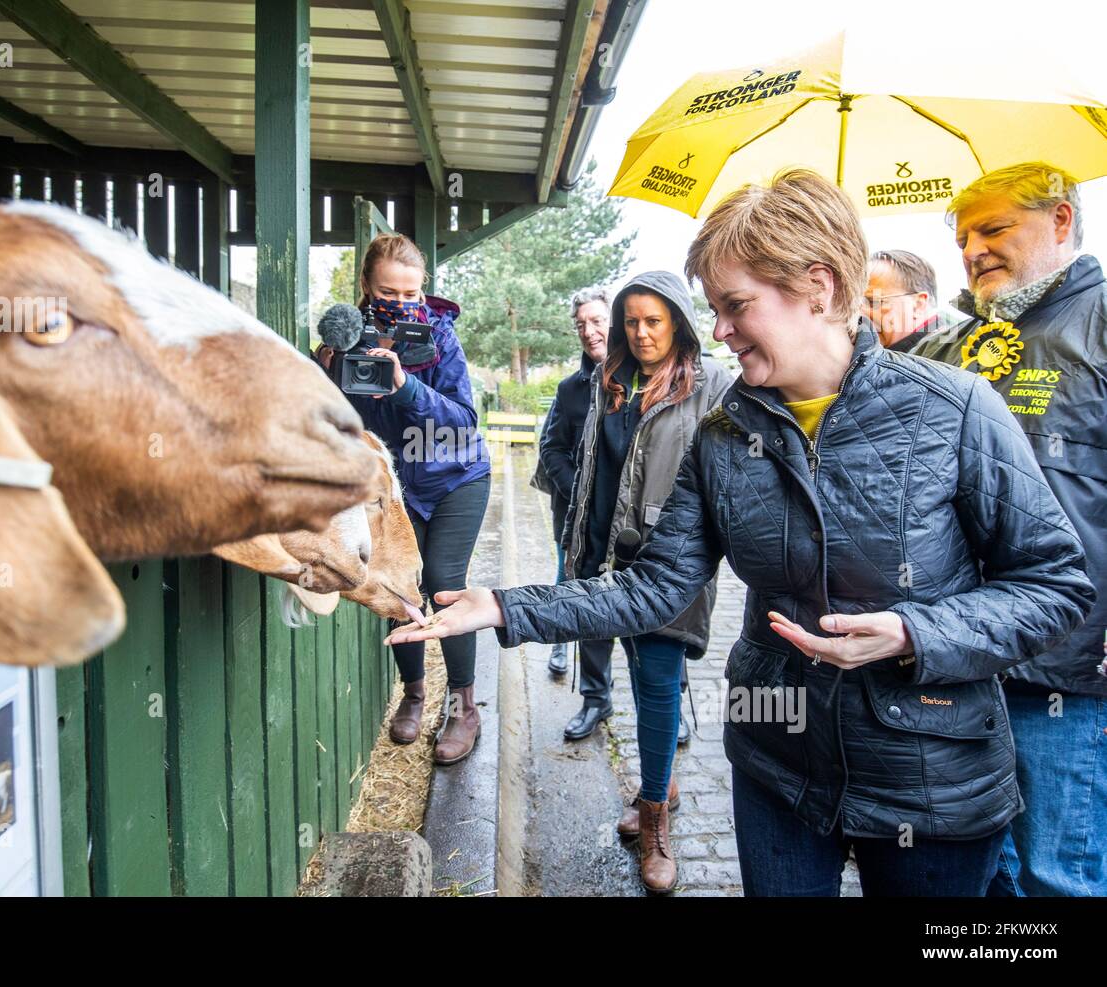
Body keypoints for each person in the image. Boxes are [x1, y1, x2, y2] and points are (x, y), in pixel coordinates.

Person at [385, 170, 1094, 897]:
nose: (718, 329)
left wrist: (915, 633)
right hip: (778, 765)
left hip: (931, 778)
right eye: (714, 309)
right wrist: (505, 606)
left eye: (735, 306)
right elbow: (655, 585)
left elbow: (1055, 585)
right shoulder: (725, 435)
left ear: (817, 286)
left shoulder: (957, 409)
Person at [912, 162, 1107, 896]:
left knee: (1058, 873)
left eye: (994, 228)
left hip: (1067, 670)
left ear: (1060, 221)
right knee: (978, 875)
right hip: (957, 656)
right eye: (963, 236)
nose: (973, 250)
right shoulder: (952, 344)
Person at [558, 271, 731, 867]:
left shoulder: (709, 385)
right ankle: (662, 782)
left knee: (658, 685)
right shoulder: (611, 380)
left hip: (668, 564)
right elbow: (590, 468)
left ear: (678, 322)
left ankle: (655, 819)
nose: (640, 332)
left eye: (653, 321)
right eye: (631, 321)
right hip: (607, 556)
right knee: (635, 674)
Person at [317, 233, 491, 766]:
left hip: (457, 478)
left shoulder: (439, 337)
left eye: (412, 293)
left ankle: (463, 707)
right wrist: (327, 368)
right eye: (390, 291)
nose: (402, 302)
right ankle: (414, 694)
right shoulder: (346, 340)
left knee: (443, 584)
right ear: (367, 285)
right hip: (396, 490)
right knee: (402, 585)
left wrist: (407, 388)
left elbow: (464, 421)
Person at [538, 289, 613, 720]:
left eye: (598, 320)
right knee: (587, 601)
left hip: (633, 522)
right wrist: (579, 492)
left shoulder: (645, 379)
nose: (590, 331)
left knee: (653, 619)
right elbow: (552, 448)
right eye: (581, 324)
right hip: (580, 519)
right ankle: (595, 699)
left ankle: (667, 709)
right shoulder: (570, 390)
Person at [862, 249, 948, 351]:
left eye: (873, 302)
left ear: (918, 305)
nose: (860, 313)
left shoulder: (935, 359)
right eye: (855, 304)